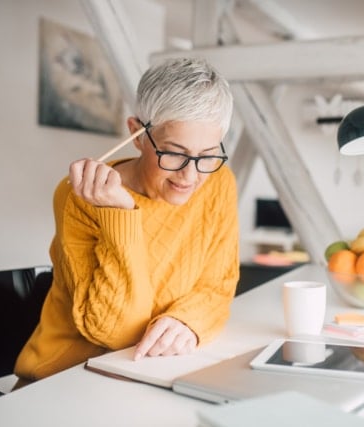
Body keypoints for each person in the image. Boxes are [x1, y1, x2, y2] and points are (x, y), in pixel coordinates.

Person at [14, 57, 239, 387]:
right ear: (137, 134)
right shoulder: (81, 197)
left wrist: (189, 321)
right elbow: (116, 332)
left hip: (154, 374)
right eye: (174, 152)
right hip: (66, 380)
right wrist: (120, 215)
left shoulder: (218, 182)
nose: (190, 175)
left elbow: (219, 284)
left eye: (207, 154)